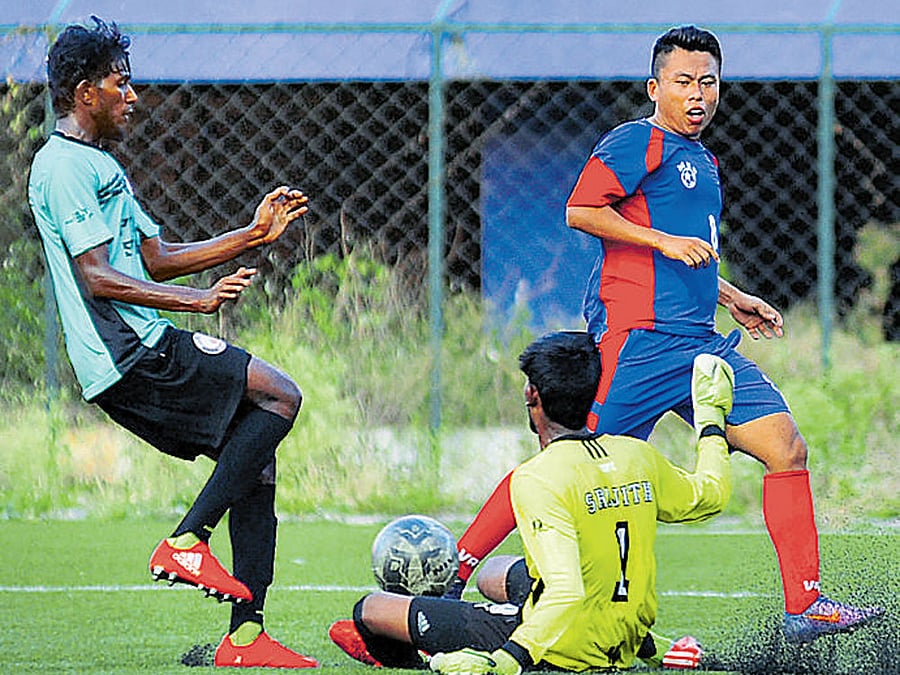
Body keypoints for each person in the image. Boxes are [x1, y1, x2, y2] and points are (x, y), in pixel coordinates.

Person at [445, 25, 883, 645]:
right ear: (656, 88)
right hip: (639, 341)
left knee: (786, 448)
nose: (697, 94)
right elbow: (581, 209)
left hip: (701, 343)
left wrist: (733, 297)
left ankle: (803, 607)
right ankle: (454, 574)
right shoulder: (635, 141)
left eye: (708, 81)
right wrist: (662, 242)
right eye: (683, 82)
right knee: (564, 468)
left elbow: (689, 255)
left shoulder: (702, 161)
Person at [28, 17, 317, 669]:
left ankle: (246, 637)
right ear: (85, 94)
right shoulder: (62, 167)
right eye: (119, 83)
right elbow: (98, 277)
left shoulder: (101, 166)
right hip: (129, 354)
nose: (132, 95)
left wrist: (250, 234)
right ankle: (188, 539)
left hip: (143, 347)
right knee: (280, 395)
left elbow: (154, 258)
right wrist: (200, 302)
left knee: (255, 456)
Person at [329, 330, 736, 672]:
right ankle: (653, 645)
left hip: (565, 649)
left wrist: (506, 660)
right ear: (593, 393)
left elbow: (565, 592)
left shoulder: (537, 477)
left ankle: (422, 656)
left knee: (370, 608)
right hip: (624, 632)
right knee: (495, 573)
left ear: (532, 395)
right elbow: (711, 495)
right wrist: (711, 419)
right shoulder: (635, 455)